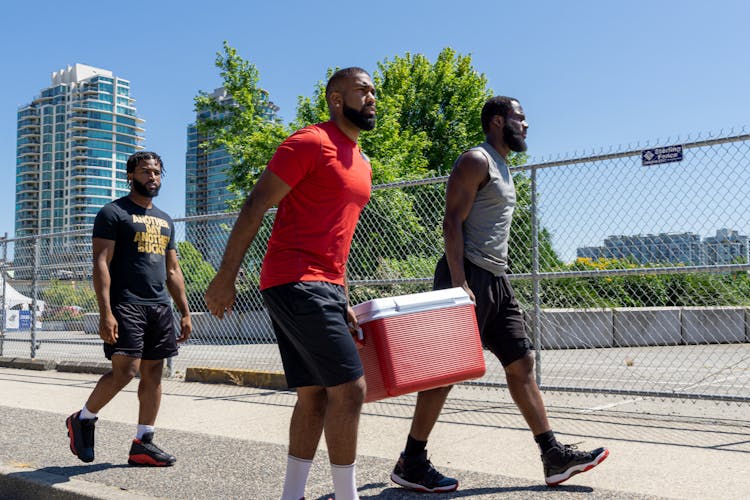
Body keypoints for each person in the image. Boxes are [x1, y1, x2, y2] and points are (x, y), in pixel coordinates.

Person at [390, 96, 609, 492]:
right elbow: (451, 221)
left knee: (521, 363)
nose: (526, 125)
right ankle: (411, 462)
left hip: (497, 279)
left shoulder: (505, 165)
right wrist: (458, 282)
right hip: (467, 275)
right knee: (444, 374)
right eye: (519, 118)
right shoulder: (476, 160)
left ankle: (552, 456)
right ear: (497, 121)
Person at [204, 67, 376, 500]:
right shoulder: (309, 143)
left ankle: (292, 496)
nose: (372, 97)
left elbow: (339, 236)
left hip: (326, 285)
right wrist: (226, 277)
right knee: (350, 390)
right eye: (362, 90)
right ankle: (346, 496)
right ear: (337, 99)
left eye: (374, 91)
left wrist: (344, 298)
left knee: (315, 394)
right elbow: (254, 206)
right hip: (294, 278)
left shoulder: (362, 162)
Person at [66, 151, 192, 467]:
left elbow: (173, 270)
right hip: (126, 304)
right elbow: (101, 263)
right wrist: (105, 311)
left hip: (159, 307)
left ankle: (143, 443)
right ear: (131, 176)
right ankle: (83, 418)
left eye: (157, 173)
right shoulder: (113, 213)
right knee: (126, 371)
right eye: (146, 172)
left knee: (154, 373)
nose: (153, 178)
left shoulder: (165, 220)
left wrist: (185, 311)